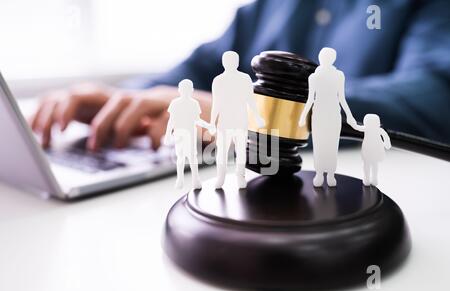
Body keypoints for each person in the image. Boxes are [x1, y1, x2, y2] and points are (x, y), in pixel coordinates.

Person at [30, 0, 450, 150]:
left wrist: (254, 112)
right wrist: (119, 98)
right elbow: (196, 71)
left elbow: (433, 93)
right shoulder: (270, 7)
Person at [299, 47, 356, 187]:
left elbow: (342, 98)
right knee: (318, 145)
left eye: (328, 56)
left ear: (333, 59)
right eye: (323, 56)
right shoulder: (313, 77)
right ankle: (319, 174)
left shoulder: (339, 75)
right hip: (318, 114)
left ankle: (330, 174)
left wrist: (349, 116)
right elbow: (310, 99)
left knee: (332, 144)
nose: (325, 59)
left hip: (333, 114)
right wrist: (302, 116)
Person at [210, 51, 265, 189]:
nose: (230, 62)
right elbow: (216, 104)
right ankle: (220, 178)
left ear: (238, 62)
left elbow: (250, 100)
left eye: (233, 60)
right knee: (221, 152)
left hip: (240, 121)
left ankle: (240, 176)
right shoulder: (218, 80)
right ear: (223, 62)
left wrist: (257, 117)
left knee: (241, 151)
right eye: (227, 60)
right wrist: (212, 122)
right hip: (224, 122)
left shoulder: (245, 79)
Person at [164, 79, 213, 189]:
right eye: (183, 89)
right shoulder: (175, 103)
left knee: (192, 157)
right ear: (179, 90)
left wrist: (208, 125)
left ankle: (195, 179)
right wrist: (168, 134)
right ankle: (180, 179)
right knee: (180, 157)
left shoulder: (194, 103)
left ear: (191, 90)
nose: (185, 91)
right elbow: (172, 120)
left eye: (188, 89)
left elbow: (197, 119)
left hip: (190, 133)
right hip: (179, 133)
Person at [353, 114, 392, 186]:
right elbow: (357, 127)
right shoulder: (369, 128)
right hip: (369, 149)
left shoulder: (375, 129)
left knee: (372, 165)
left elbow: (386, 137)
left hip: (373, 149)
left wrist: (387, 144)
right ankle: (368, 179)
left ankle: (372, 179)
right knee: (370, 165)